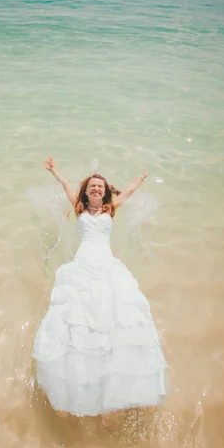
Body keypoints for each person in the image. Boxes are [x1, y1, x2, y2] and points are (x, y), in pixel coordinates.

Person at [33, 157, 168, 417]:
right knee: (80, 316)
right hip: (82, 263)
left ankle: (115, 380)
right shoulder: (79, 208)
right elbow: (64, 186)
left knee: (113, 312)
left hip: (106, 263)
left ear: (106, 191)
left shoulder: (110, 209)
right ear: (85, 190)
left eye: (100, 186)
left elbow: (127, 191)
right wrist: (54, 171)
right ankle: (81, 378)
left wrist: (140, 179)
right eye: (92, 185)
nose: (96, 188)